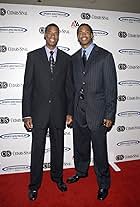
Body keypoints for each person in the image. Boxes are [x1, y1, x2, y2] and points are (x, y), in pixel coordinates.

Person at [22, 23, 74, 201]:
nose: (53, 36)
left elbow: (69, 88)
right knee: (37, 149)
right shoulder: (33, 57)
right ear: (45, 35)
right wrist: (26, 114)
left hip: (59, 112)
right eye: (50, 33)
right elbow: (27, 87)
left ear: (59, 36)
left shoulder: (66, 59)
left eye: (56, 33)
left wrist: (69, 111)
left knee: (58, 147)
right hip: (38, 113)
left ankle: (57, 178)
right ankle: (34, 185)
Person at [67, 23, 117, 201]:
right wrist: (70, 112)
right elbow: (71, 89)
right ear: (77, 36)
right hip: (78, 112)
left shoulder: (105, 56)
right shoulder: (73, 59)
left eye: (86, 32)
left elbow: (111, 89)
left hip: (97, 113)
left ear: (92, 35)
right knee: (80, 147)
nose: (83, 34)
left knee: (100, 151)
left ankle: (104, 183)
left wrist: (109, 115)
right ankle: (81, 171)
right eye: (80, 32)